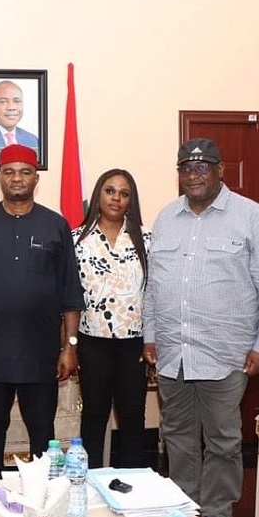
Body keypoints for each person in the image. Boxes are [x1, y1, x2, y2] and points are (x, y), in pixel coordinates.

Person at [143, 137, 259, 517]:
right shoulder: (166, 217)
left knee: (224, 440)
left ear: (220, 169)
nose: (194, 174)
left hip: (226, 353)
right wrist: (151, 334)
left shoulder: (253, 219)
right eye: (186, 168)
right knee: (178, 437)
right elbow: (154, 287)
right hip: (174, 352)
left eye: (202, 167)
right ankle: (185, 512)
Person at [0, 144, 84, 480]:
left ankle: (44, 496)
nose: (17, 178)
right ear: (0, 176)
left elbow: (71, 293)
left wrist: (69, 346)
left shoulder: (55, 225)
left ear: (36, 178)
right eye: (10, 171)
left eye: (25, 171)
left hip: (40, 353)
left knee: (43, 433)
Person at [71, 169, 151, 469]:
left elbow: (154, 292)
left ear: (131, 200)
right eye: (110, 191)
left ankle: (134, 484)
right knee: (94, 413)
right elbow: (69, 296)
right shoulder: (77, 240)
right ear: (98, 196)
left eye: (124, 193)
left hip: (134, 343)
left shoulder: (146, 238)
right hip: (92, 341)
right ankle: (87, 483)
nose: (116, 198)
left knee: (132, 416)